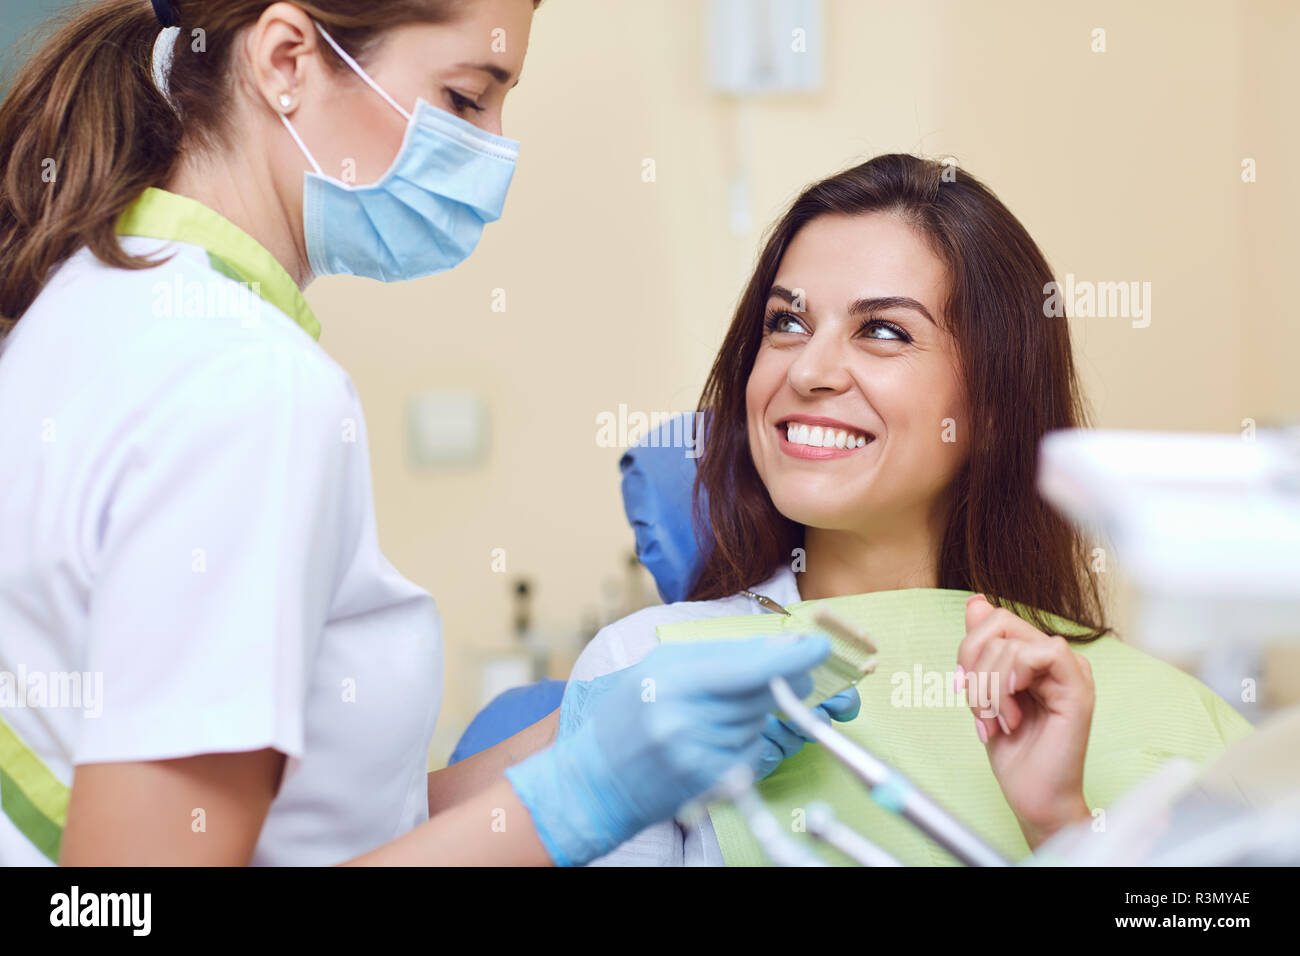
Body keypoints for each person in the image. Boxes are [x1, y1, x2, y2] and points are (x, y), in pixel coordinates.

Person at [0, 0, 857, 867]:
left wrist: (582, 734)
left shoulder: (102, 303)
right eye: (464, 100)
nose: (495, 155)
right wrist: (582, 798)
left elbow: (328, 831)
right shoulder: (245, 387)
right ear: (287, 60)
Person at [568, 153, 1254, 865]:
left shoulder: (1174, 719)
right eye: (786, 323)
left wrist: (1063, 828)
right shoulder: (647, 670)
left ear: (991, 407)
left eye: (884, 331)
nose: (807, 371)